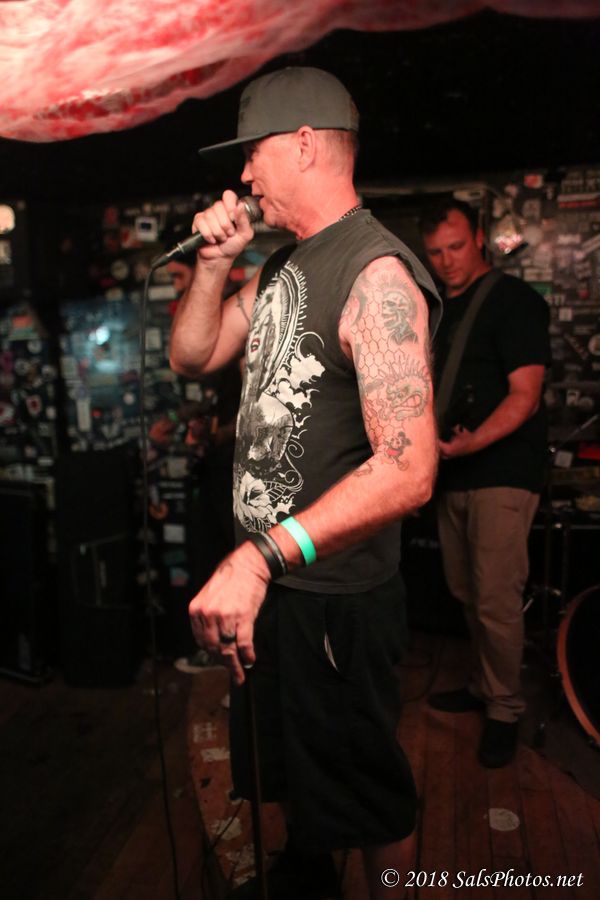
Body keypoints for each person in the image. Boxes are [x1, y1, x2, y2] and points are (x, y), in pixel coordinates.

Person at [169, 67, 441, 899]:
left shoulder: (375, 274)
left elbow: (409, 469)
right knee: (288, 768)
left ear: (303, 145)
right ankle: (307, 873)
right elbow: (194, 356)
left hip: (332, 596)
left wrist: (258, 559)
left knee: (366, 793)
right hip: (275, 588)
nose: (245, 174)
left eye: (253, 153)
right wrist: (215, 264)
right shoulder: (285, 263)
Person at [419, 199, 550, 768]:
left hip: (503, 471)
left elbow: (526, 396)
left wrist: (473, 443)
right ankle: (483, 686)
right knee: (465, 592)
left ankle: (504, 710)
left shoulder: (514, 301)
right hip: (453, 471)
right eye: (435, 252)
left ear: (479, 237)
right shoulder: (440, 310)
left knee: (496, 597)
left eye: (456, 247)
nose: (447, 261)